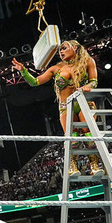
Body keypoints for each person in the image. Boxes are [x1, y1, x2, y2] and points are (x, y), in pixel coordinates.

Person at [12, 40, 100, 176]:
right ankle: (73, 167)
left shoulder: (88, 62)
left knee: (88, 133)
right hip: (66, 105)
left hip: (83, 102)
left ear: (75, 48)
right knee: (72, 137)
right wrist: (23, 71)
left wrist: (88, 86)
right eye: (60, 50)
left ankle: (94, 166)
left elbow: (94, 81)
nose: (61, 51)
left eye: (64, 48)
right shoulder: (56, 68)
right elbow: (35, 82)